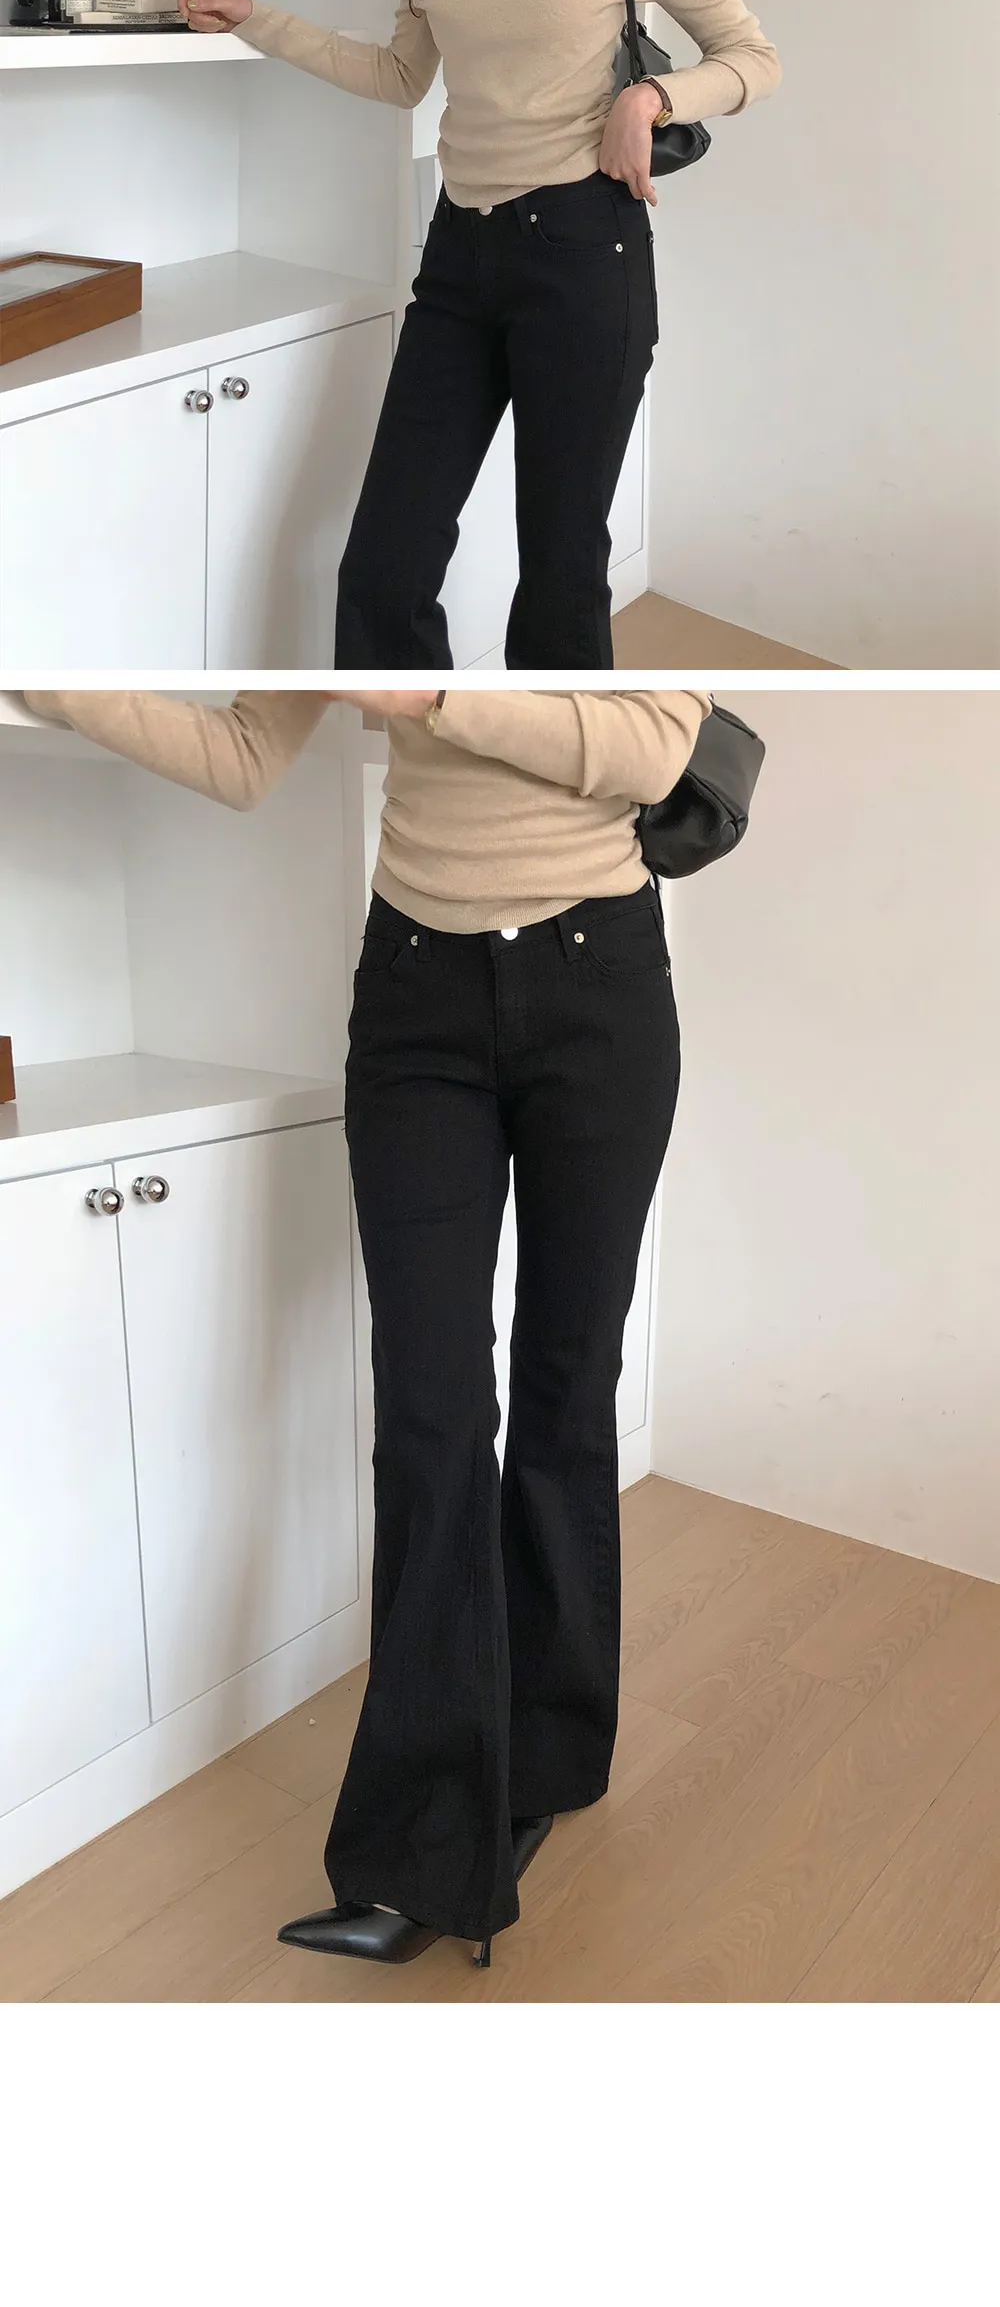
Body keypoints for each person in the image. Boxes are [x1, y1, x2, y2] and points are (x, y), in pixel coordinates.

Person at [18, 674, 708, 1981]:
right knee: (430, 1414)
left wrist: (431, 696)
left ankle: (550, 1755)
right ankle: (423, 1850)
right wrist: (51, 677)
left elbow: (654, 747)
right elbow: (242, 754)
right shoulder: (363, 585)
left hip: (600, 988)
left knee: (567, 1390)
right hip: (416, 998)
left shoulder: (583, 578)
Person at [188, 0, 779, 665]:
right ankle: (419, 749)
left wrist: (651, 95)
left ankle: (552, 760)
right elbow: (400, 74)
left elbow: (751, 57)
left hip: (584, 254)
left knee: (559, 575)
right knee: (383, 569)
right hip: (459, 253)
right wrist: (256, 19)